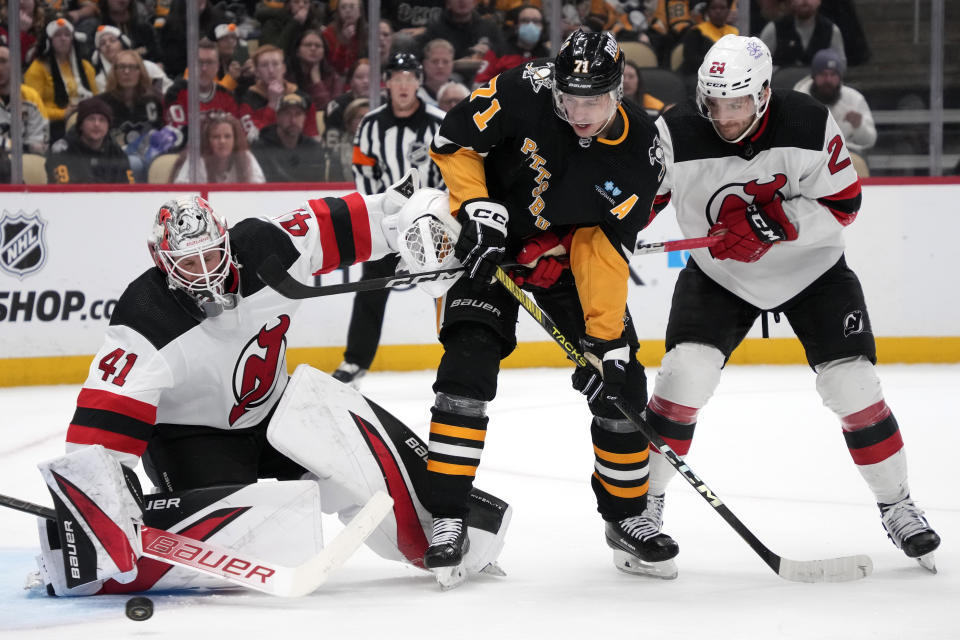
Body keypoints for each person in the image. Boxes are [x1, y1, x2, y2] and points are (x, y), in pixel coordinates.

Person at [32, 182, 511, 596]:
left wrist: (422, 218)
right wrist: (100, 498)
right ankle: (73, 557)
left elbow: (375, 216)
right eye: (187, 263)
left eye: (212, 254)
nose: (205, 271)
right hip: (191, 441)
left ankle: (456, 545)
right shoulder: (145, 319)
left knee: (378, 459)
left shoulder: (268, 246)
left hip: (280, 411)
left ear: (226, 240)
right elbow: (99, 434)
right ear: (163, 263)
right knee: (248, 543)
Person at [644, 34, 940, 576]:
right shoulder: (676, 129)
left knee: (852, 384)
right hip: (720, 275)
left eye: (736, 104)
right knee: (684, 375)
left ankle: (897, 503)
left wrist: (776, 223)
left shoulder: (806, 119)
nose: (723, 116)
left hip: (814, 269)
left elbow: (846, 205)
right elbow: (640, 201)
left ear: (761, 95)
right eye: (714, 103)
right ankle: (644, 503)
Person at [420, 29, 676, 585]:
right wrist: (477, 209)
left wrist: (605, 345)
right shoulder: (520, 89)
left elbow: (603, 245)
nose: (580, 113)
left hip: (569, 259)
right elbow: (455, 142)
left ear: (619, 91)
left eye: (594, 101)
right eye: (570, 99)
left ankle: (628, 516)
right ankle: (445, 515)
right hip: (492, 242)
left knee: (622, 385)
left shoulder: (644, 148)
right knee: (465, 365)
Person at [332, 51, 446, 387]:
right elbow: (364, 173)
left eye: (410, 77)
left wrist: (432, 211)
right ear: (387, 84)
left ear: (419, 82)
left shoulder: (439, 123)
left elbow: (452, 173)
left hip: (432, 222)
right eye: (397, 77)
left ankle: (456, 357)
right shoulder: (370, 125)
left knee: (446, 290)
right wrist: (384, 213)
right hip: (386, 224)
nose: (404, 84)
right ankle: (355, 363)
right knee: (370, 290)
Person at [163, 39, 256, 144]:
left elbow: (238, 132)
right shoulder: (176, 92)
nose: (204, 68)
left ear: (217, 66)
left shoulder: (227, 95)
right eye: (199, 62)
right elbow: (177, 135)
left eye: (210, 62)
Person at [24, 17, 98, 143]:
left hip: (86, 119)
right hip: (52, 127)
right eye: (57, 35)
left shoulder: (86, 67)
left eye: (67, 35)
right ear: (49, 41)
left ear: (73, 39)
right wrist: (63, 113)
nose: (63, 39)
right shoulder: (37, 69)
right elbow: (32, 110)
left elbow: (97, 99)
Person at [99, 49, 164, 182]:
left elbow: (164, 129)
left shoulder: (155, 99)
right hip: (116, 155)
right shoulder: (102, 103)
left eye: (132, 67)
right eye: (122, 67)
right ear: (114, 72)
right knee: (133, 164)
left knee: (156, 163)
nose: (126, 72)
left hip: (152, 151)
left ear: (140, 71)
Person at [794, 48, 875, 153]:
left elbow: (869, 142)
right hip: (809, 156)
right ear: (814, 76)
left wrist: (859, 126)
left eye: (833, 75)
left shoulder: (854, 99)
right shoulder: (798, 100)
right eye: (823, 74)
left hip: (848, 156)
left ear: (840, 77)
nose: (828, 80)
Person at [46, 95, 134, 183]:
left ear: (108, 127)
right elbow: (63, 188)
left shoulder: (117, 153)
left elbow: (129, 189)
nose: (97, 124)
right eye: (91, 119)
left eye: (102, 120)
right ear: (81, 125)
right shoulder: (62, 149)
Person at [239, 44, 319, 139]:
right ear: (257, 72)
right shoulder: (248, 100)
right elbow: (254, 139)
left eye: (276, 64)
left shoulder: (303, 98)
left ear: (283, 68)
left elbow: (312, 136)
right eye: (264, 65)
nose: (271, 70)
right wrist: (272, 104)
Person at [252, 92, 327, 181]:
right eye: (287, 114)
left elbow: (318, 187)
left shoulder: (314, 148)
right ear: (277, 117)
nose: (293, 120)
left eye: (298, 114)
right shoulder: (260, 148)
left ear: (304, 118)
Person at [171, 112, 265, 183]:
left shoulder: (246, 157)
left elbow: (259, 190)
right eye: (216, 137)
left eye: (227, 136)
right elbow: (182, 192)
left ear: (235, 139)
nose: (222, 141)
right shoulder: (197, 159)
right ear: (208, 140)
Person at [472, 4, 549, 88]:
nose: (530, 25)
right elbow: (478, 84)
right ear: (516, 26)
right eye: (525, 21)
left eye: (536, 21)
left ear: (542, 27)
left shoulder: (548, 55)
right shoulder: (498, 52)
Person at [759, 0, 845, 70]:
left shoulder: (831, 30)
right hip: (781, 87)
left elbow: (840, 68)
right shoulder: (774, 29)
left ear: (819, 1)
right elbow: (758, 64)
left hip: (817, 89)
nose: (805, 1)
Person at [0, 42, 50, 156]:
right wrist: (23, 146)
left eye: (3, 61)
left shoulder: (31, 96)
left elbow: (40, 143)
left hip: (25, 161)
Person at [285, 28, 343, 114]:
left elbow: (331, 111)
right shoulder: (287, 75)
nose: (313, 48)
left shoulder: (333, 77)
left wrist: (317, 82)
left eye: (318, 46)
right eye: (308, 45)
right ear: (297, 51)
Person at [679, 0, 738, 75]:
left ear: (728, 11)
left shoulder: (734, 32)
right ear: (707, 11)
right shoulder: (696, 31)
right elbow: (691, 59)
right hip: (700, 75)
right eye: (713, 8)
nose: (718, 11)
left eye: (722, 8)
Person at [325, 58, 370, 134]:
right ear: (351, 81)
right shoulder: (337, 106)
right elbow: (333, 136)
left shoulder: (385, 103)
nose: (366, 81)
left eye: (370, 76)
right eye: (359, 77)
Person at [322, 0, 366, 77]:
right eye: (343, 7)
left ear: (360, 12)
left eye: (352, 7)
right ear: (338, 12)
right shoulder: (328, 33)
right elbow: (334, 67)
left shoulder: (367, 33)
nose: (347, 10)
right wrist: (343, 43)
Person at [417, 38, 456, 105]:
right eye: (435, 61)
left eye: (445, 62)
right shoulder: (415, 97)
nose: (440, 66)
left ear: (452, 65)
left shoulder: (462, 95)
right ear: (425, 64)